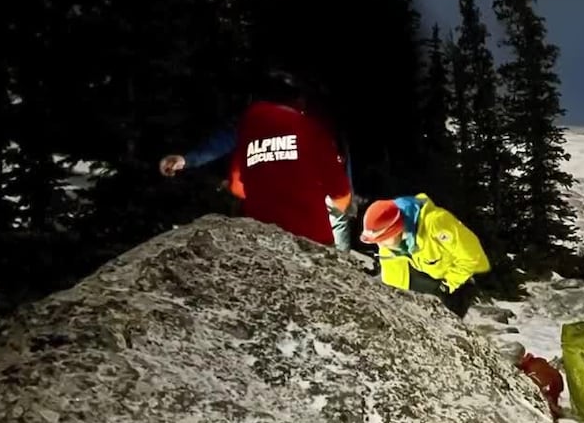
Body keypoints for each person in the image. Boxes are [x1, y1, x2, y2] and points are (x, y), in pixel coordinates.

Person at [159, 71, 355, 249]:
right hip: (311, 233)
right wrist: (343, 203)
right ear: (298, 100)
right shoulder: (310, 128)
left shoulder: (248, 126)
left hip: (262, 233)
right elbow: (339, 190)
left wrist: (187, 160)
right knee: (338, 219)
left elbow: (236, 183)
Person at [359, 194, 490, 317]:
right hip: (428, 275)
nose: (380, 244)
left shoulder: (436, 223)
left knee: (449, 313)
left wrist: (448, 284)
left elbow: (471, 255)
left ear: (397, 229)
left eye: (383, 238)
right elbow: (392, 277)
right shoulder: (389, 245)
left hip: (457, 280)